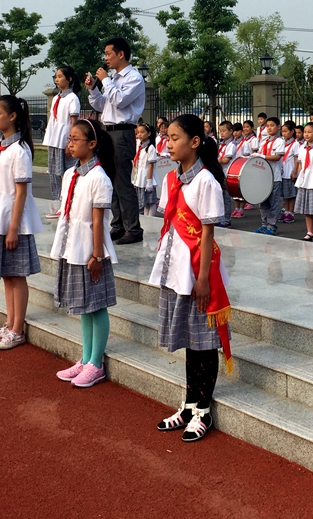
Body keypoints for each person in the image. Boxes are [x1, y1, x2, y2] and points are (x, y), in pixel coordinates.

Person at [150, 114, 232, 443]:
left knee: (204, 343)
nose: (168, 144)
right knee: (189, 340)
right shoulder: (172, 178)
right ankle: (188, 406)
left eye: (175, 138)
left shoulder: (206, 181)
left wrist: (203, 279)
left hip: (198, 273)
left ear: (195, 142)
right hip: (176, 271)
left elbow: (208, 234)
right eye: (167, 137)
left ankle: (203, 411)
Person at [53, 118, 118, 388]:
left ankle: (96, 363)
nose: (70, 144)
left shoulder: (99, 177)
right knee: (84, 306)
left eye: (75, 139)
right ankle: (86, 357)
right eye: (69, 139)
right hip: (73, 248)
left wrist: (97, 256)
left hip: (90, 251)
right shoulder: (71, 174)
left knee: (96, 305)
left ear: (92, 144)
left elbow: (97, 221)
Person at [0, 95, 43, 350]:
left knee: (17, 274)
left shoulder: (19, 150)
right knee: (7, 274)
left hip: (13, 221)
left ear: (12, 116)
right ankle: (10, 323)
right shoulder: (0, 147)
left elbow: (21, 193)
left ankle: (18, 329)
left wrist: (13, 228)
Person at [86, 37, 146, 245]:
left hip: (122, 133)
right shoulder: (113, 79)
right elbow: (102, 105)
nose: (106, 58)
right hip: (108, 131)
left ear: (121, 54)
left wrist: (105, 80)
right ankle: (118, 225)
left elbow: (120, 100)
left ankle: (133, 228)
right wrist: (93, 89)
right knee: (110, 180)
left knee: (122, 181)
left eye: (108, 53)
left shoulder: (134, 78)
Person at [43, 66, 81, 219]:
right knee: (54, 171)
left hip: (63, 138)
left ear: (69, 79)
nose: (57, 80)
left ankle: (67, 202)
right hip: (54, 138)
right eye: (56, 77)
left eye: (60, 76)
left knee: (64, 173)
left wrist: (70, 142)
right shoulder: (57, 98)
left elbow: (74, 122)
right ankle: (59, 200)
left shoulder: (72, 98)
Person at [253, 116, 284, 236]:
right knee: (263, 203)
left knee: (273, 203)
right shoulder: (264, 142)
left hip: (274, 176)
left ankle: (272, 226)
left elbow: (277, 157)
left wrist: (263, 156)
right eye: (267, 126)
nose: (269, 128)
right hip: (263, 177)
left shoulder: (280, 141)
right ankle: (264, 224)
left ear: (278, 127)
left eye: (272, 126)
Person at [133, 121, 158, 216]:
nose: (139, 134)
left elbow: (150, 165)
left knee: (150, 201)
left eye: (142, 132)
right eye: (138, 132)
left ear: (149, 133)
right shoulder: (139, 147)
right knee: (143, 201)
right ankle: (146, 218)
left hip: (147, 176)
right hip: (140, 177)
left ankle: (151, 218)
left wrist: (149, 181)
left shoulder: (150, 148)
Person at [217, 121, 236, 228]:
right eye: (220, 131)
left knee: (226, 198)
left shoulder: (231, 145)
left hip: (228, 173)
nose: (222, 133)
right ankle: (221, 218)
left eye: (224, 131)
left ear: (231, 131)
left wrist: (214, 161)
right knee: (220, 197)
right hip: (221, 173)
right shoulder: (222, 145)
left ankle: (227, 220)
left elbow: (225, 160)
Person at [280, 120, 299, 223]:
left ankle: (291, 212)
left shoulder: (295, 144)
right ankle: (286, 211)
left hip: (290, 172)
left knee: (291, 194)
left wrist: (295, 172)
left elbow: (296, 159)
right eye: (282, 131)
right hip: (283, 172)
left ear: (292, 132)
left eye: (286, 131)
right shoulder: (282, 143)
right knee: (285, 194)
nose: (284, 133)